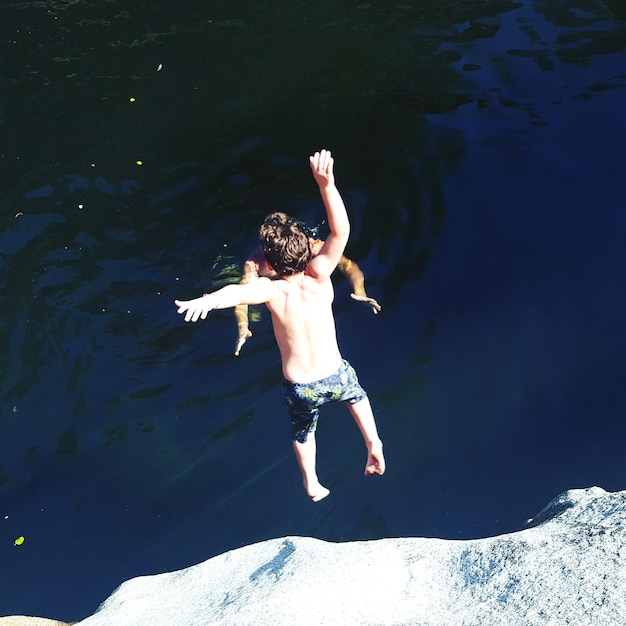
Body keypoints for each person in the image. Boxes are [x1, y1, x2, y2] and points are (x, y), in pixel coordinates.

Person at [174, 149, 385, 502]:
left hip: (301, 385)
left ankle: (313, 483)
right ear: (308, 248)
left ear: (268, 262)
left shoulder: (271, 290)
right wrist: (326, 184)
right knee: (357, 396)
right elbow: (341, 229)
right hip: (335, 371)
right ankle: (373, 441)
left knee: (303, 433)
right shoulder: (321, 274)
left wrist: (205, 301)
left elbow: (232, 293)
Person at [233, 230, 382, 356]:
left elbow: (348, 266)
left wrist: (360, 291)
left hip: (302, 288)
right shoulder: (254, 263)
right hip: (279, 291)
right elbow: (243, 295)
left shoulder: (311, 246)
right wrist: (243, 325)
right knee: (257, 315)